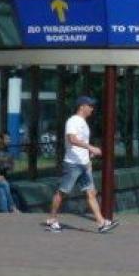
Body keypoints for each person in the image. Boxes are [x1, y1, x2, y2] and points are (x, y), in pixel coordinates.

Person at [44, 96, 116, 234]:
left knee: (90, 193)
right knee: (62, 192)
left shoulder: (83, 122)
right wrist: (91, 148)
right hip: (72, 164)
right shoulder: (73, 121)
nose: (92, 109)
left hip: (83, 164)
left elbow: (80, 142)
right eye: (90, 106)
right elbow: (72, 139)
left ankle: (101, 223)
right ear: (82, 106)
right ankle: (51, 220)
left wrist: (88, 158)